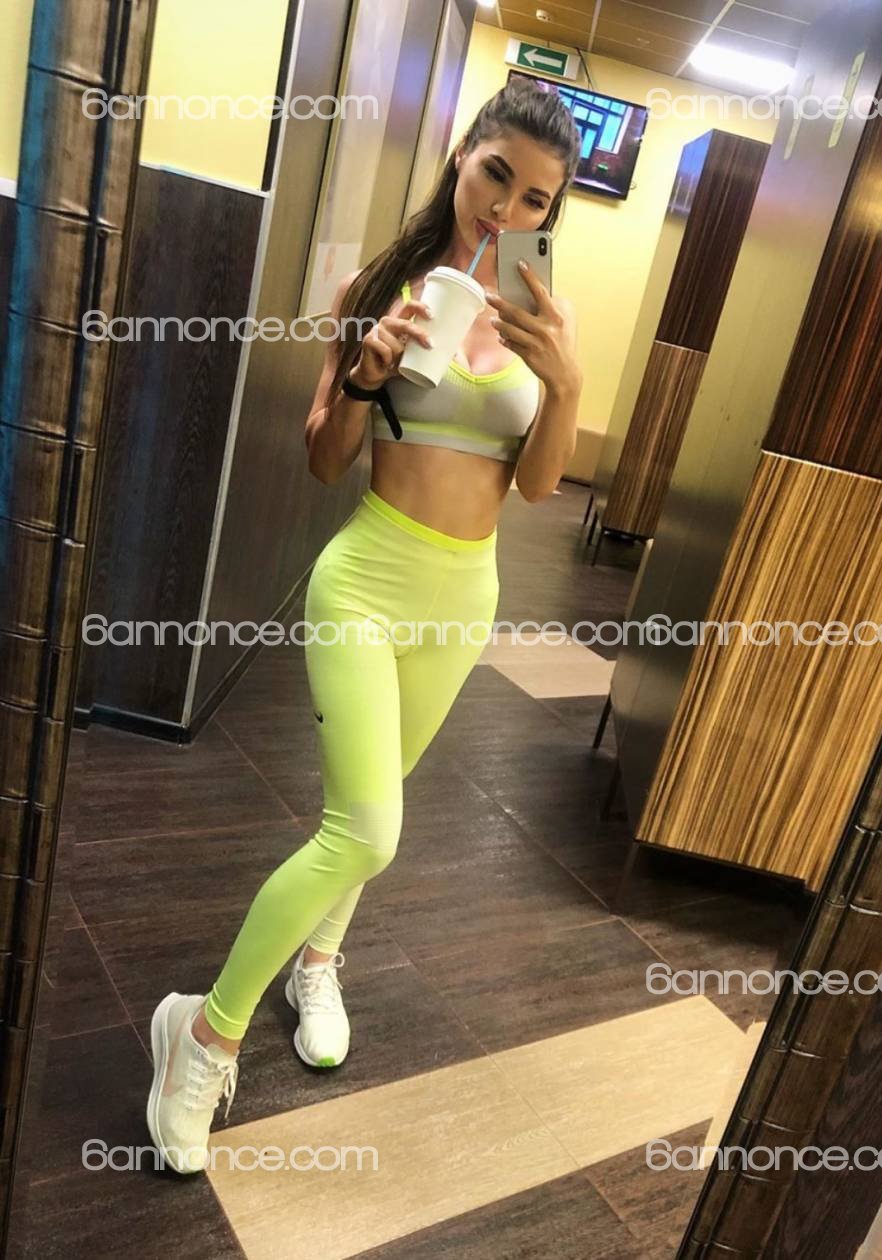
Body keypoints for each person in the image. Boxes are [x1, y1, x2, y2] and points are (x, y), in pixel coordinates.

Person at [145, 78, 583, 1174]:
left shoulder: (541, 321)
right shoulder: (374, 290)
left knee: (375, 799)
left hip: (464, 597)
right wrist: (360, 376)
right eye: (495, 175)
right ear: (460, 155)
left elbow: (537, 488)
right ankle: (201, 1035)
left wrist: (567, 386)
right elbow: (323, 457)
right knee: (369, 828)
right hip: (368, 580)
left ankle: (319, 963)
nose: (506, 209)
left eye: (535, 198)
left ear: (550, 212)